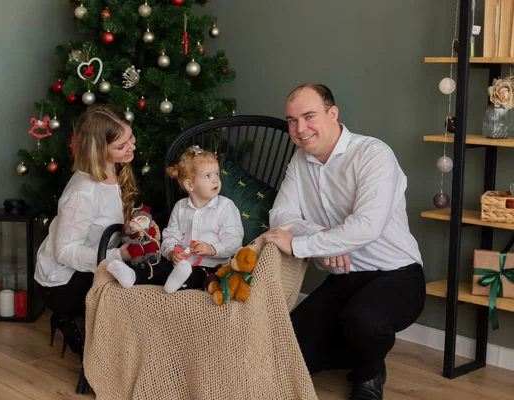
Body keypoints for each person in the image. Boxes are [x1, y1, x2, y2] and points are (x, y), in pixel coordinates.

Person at [263, 83, 425, 400]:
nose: (299, 128)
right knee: (287, 348)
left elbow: (366, 227)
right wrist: (321, 237)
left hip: (397, 274)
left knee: (364, 320)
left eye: (309, 116)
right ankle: (358, 350)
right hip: (345, 278)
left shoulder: (374, 155)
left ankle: (369, 374)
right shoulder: (300, 161)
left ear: (332, 113)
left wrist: (299, 245)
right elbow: (280, 214)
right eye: (292, 120)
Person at [34, 104, 140, 352]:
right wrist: (117, 256)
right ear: (99, 150)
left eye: (130, 137)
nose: (131, 147)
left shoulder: (116, 170)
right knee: (130, 294)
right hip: (62, 281)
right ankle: (101, 351)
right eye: (121, 146)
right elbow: (65, 252)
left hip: (99, 262)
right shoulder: (84, 192)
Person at [161, 145, 244, 293]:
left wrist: (212, 249)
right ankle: (136, 274)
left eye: (217, 174)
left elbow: (234, 241)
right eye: (208, 176)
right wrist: (172, 253)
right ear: (190, 185)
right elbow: (170, 236)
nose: (215, 180)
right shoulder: (180, 207)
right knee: (160, 267)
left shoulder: (225, 207)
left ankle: (178, 282)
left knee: (201, 276)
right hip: (183, 263)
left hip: (212, 267)